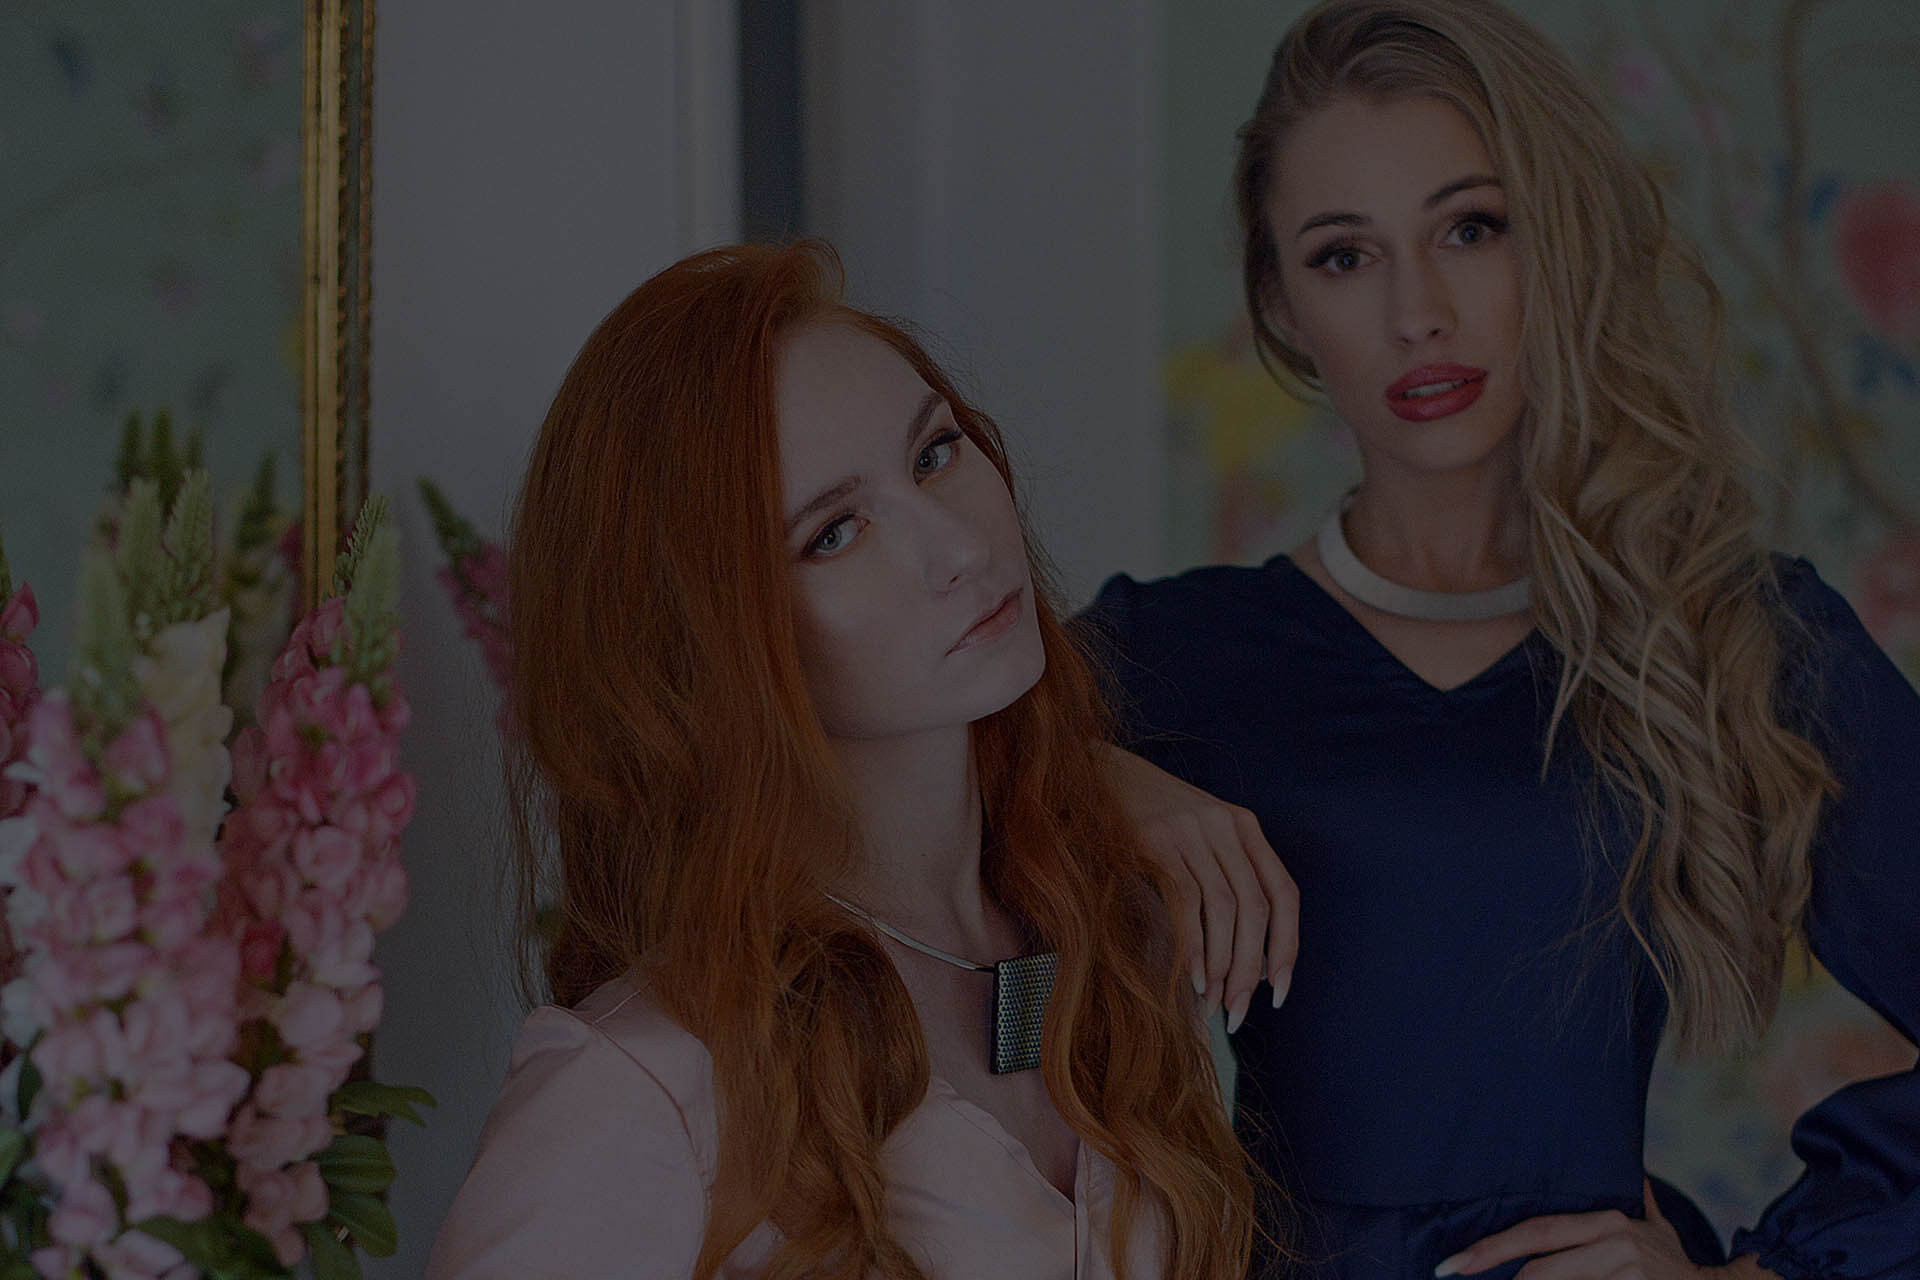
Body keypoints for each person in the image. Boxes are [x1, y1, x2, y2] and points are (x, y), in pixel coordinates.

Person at [1082, 1, 1920, 1276]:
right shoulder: (1168, 651)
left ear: (1558, 244)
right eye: (1344, 256)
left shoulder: (1739, 629)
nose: (1418, 311)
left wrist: (1760, 1276)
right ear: (1281, 303)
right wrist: (1083, 777)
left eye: (1471, 228)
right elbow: (839, 849)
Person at [425, 242, 1262, 1279]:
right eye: (835, 533)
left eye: (935, 453)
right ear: (707, 649)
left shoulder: (1118, 937)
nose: (961, 547)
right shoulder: (639, 1092)